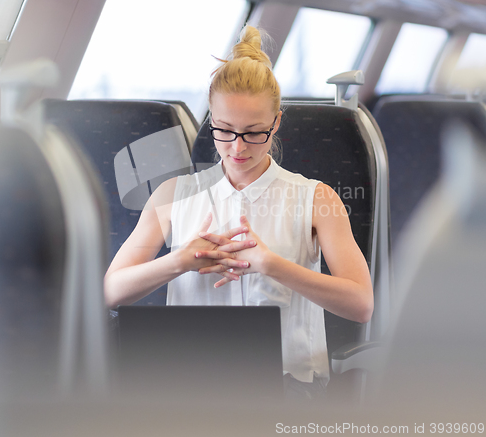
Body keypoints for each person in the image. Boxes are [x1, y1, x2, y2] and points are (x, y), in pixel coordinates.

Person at [104, 25, 373, 401]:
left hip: (285, 385)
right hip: (189, 378)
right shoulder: (174, 194)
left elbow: (361, 305)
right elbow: (111, 291)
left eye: (254, 132)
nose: (237, 147)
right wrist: (180, 261)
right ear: (210, 120)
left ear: (276, 123)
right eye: (224, 130)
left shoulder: (315, 197)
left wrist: (270, 264)